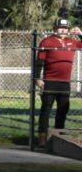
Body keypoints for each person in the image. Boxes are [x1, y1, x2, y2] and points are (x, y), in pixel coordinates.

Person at [35, 17, 82, 146]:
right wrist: (37, 78)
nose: (63, 30)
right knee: (46, 109)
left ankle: (58, 137)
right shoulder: (47, 41)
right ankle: (42, 138)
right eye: (60, 28)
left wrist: (80, 34)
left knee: (63, 109)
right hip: (49, 81)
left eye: (65, 28)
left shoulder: (72, 42)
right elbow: (39, 62)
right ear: (55, 28)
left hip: (65, 82)